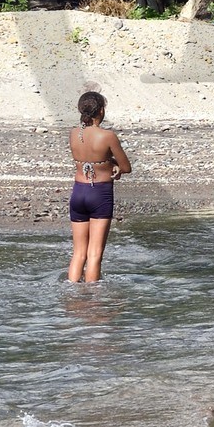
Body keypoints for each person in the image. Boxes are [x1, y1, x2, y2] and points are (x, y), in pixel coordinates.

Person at [67, 89, 131, 284]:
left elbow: (87, 158)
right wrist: (113, 165)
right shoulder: (107, 136)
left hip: (78, 192)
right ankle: (93, 302)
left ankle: (72, 293)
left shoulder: (74, 133)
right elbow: (126, 167)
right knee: (94, 254)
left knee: (78, 253)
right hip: (100, 194)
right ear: (101, 111)